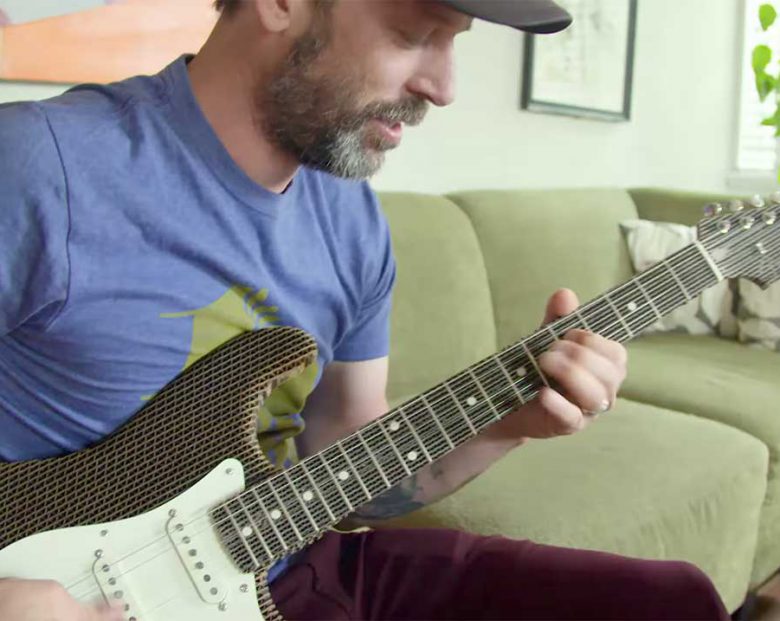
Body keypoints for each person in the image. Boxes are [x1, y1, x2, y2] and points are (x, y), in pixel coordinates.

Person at [0, 0, 730, 619]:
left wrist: (511, 420)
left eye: (455, 43)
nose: (444, 87)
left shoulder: (353, 223)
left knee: (674, 601)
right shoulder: (41, 165)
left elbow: (344, 458)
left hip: (289, 567)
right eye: (414, 34)